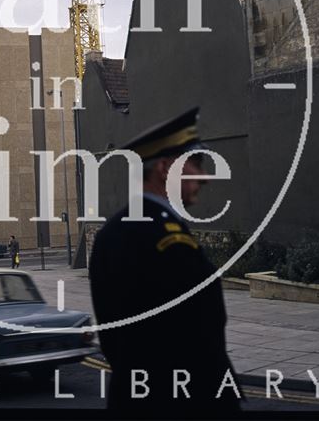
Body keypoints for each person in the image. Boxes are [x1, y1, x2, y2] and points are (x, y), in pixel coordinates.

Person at [89, 107, 242, 417]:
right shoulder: (167, 239)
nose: (204, 177)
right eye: (195, 164)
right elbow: (196, 341)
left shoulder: (112, 231)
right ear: (164, 168)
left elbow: (115, 338)